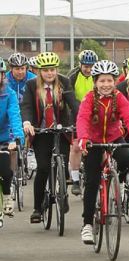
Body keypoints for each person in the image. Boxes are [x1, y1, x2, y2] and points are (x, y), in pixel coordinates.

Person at [76, 60, 129, 244]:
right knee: (92, 180)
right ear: (95, 82)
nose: (106, 85)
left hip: (113, 138)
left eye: (110, 81)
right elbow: (82, 119)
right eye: (102, 81)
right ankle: (87, 224)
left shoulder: (119, 97)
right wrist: (84, 139)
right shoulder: (89, 98)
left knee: (127, 158)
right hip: (93, 141)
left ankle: (118, 182)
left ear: (115, 81)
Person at [21, 52, 79, 223]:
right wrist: (27, 123)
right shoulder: (31, 85)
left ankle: (62, 194)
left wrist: (80, 121)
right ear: (40, 71)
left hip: (61, 130)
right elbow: (27, 106)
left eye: (52, 69)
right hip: (41, 131)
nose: (49, 73)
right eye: (45, 70)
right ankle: (38, 208)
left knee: (61, 163)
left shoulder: (64, 82)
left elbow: (73, 103)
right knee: (44, 168)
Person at [67, 49, 99, 195]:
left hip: (96, 114)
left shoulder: (98, 77)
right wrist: (80, 110)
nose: (88, 69)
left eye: (91, 66)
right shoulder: (73, 77)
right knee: (76, 146)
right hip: (77, 113)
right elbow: (69, 97)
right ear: (80, 65)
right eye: (85, 66)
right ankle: (74, 180)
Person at [0, 57, 25, 222]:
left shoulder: (8, 93)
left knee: (5, 171)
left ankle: (8, 195)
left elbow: (15, 116)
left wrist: (16, 138)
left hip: (3, 136)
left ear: (3, 76)